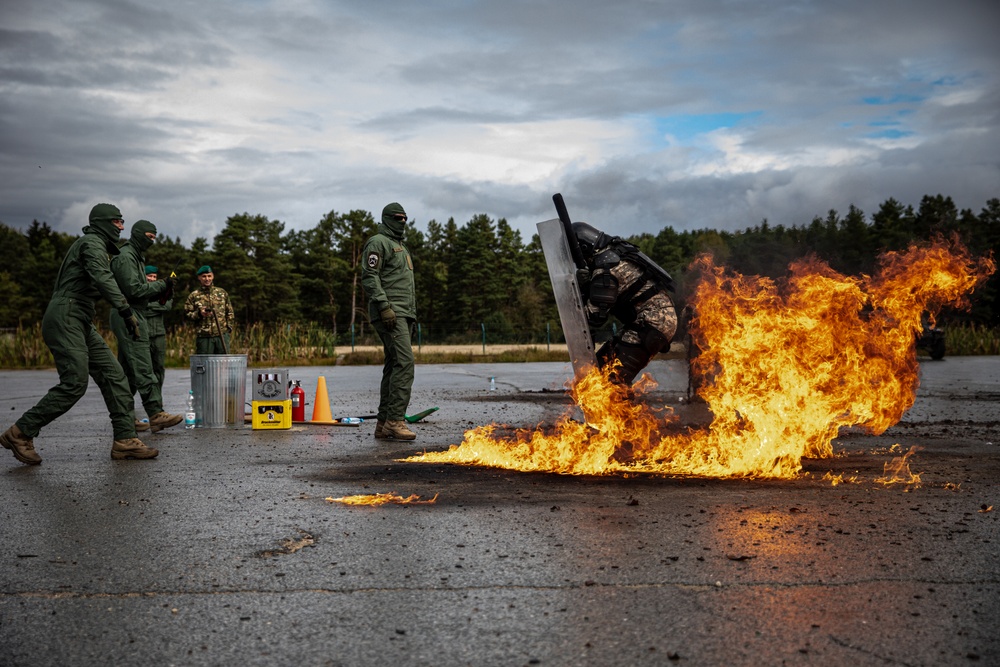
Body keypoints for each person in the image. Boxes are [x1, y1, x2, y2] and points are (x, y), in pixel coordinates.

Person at [0, 203, 159, 464]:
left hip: (81, 316)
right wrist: (125, 310)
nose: (121, 226)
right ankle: (20, 432)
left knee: (115, 376)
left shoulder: (99, 246)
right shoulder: (92, 243)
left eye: (122, 221)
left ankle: (125, 440)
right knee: (74, 382)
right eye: (117, 221)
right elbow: (101, 277)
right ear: (103, 222)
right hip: (66, 314)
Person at [572, 221, 678, 386]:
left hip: (653, 323)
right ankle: (619, 411)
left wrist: (584, 288)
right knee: (598, 373)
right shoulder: (614, 253)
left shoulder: (606, 268)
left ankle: (632, 412)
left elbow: (594, 317)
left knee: (613, 383)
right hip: (652, 321)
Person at [110, 222, 183, 434]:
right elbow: (133, 290)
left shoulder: (136, 256)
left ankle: (125, 419)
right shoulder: (126, 257)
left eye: (154, 237)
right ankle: (155, 413)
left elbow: (147, 294)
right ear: (138, 235)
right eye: (149, 236)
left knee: (127, 374)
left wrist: (161, 290)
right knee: (143, 367)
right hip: (129, 314)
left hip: (131, 313)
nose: (151, 241)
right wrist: (161, 285)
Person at [361, 202, 417, 441]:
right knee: (405, 363)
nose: (402, 221)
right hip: (391, 312)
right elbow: (369, 276)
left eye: (405, 218)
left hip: (404, 312)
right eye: (397, 218)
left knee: (394, 364)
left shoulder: (400, 246)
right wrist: (384, 306)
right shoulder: (378, 242)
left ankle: (384, 423)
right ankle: (396, 420)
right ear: (386, 218)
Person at [184, 265, 234, 354]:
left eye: (209, 276)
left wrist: (229, 328)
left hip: (221, 335)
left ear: (213, 276)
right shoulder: (194, 295)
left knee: (223, 365)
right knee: (205, 365)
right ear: (199, 278)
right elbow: (187, 314)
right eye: (204, 276)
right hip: (204, 337)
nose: (207, 279)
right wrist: (199, 313)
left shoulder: (222, 293)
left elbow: (230, 312)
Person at [144, 265, 171, 393]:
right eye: (149, 276)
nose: (152, 279)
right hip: (144, 335)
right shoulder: (139, 290)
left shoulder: (162, 290)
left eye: (154, 276)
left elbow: (167, 306)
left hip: (159, 334)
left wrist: (148, 306)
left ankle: (157, 395)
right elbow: (140, 310)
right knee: (144, 368)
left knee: (159, 367)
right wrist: (157, 306)